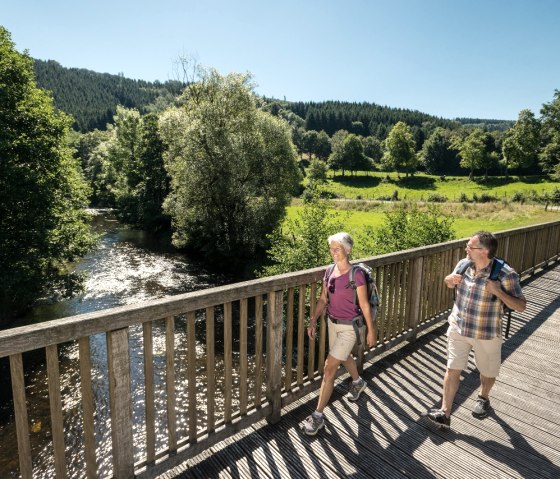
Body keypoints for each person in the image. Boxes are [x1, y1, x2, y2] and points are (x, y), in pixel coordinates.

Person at [427, 231, 526, 430]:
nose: (466, 250)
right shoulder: (463, 265)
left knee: (487, 372)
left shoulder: (506, 274)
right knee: (452, 368)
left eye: (470, 247)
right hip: (459, 328)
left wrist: (497, 291)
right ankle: (445, 413)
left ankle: (483, 397)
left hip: (487, 334)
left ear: (484, 251)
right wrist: (448, 280)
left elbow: (521, 306)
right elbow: (449, 283)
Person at [301, 232, 377, 436]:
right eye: (331, 248)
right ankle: (358, 382)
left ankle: (317, 416)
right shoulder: (329, 271)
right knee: (343, 357)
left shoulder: (356, 275)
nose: (333, 252)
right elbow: (323, 299)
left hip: (349, 328)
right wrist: (313, 319)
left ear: (348, 250)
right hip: (332, 323)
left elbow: (364, 304)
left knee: (329, 368)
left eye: (338, 249)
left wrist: (371, 330)